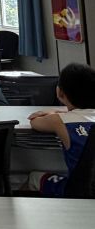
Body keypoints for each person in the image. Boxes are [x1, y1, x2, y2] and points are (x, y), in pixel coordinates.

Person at [27, 63, 95, 196]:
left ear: (60, 92)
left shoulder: (58, 120)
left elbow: (34, 121)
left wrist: (54, 112)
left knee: (34, 177)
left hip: (79, 192)